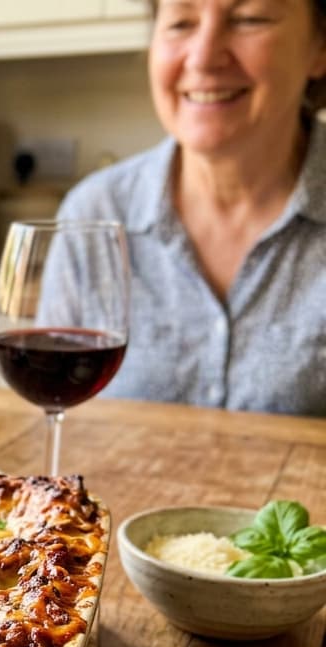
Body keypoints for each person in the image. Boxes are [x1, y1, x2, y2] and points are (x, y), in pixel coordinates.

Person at [57, 0, 326, 415]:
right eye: (181, 23)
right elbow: (56, 425)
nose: (203, 57)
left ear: (319, 47)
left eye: (248, 19)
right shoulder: (93, 210)